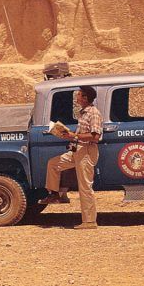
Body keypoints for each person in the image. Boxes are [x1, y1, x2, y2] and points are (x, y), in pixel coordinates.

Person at [39, 85, 102, 229]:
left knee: (85, 187)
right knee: (53, 164)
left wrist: (75, 136)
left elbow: (95, 136)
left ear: (85, 98)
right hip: (78, 150)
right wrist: (68, 135)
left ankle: (89, 221)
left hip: (86, 151)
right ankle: (54, 194)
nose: (77, 97)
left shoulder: (93, 113)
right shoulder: (83, 113)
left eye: (79, 94)